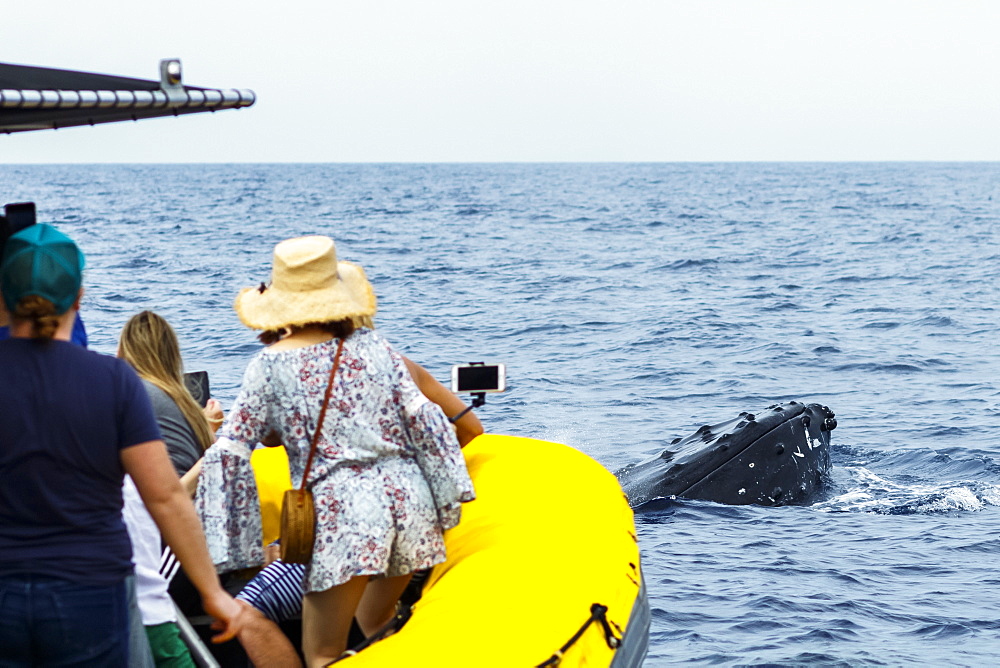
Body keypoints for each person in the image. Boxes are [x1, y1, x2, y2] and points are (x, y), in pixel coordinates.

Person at [196, 235, 476, 667]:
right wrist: (449, 501)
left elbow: (232, 453)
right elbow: (428, 424)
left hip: (344, 516)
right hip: (409, 504)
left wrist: (237, 551)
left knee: (323, 653)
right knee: (378, 624)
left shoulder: (270, 365)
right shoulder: (378, 349)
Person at [0, 223, 247, 665]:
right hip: (90, 591)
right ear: (79, 297)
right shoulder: (114, 382)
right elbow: (166, 496)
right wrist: (213, 593)